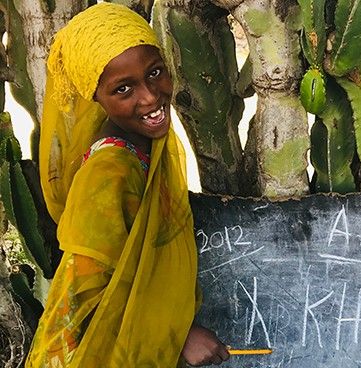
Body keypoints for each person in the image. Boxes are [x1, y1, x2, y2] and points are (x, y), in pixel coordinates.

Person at [26, 3, 229, 367]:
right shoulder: (111, 170)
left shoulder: (144, 146)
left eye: (155, 73)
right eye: (124, 89)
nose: (150, 96)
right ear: (96, 98)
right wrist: (177, 331)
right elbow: (81, 294)